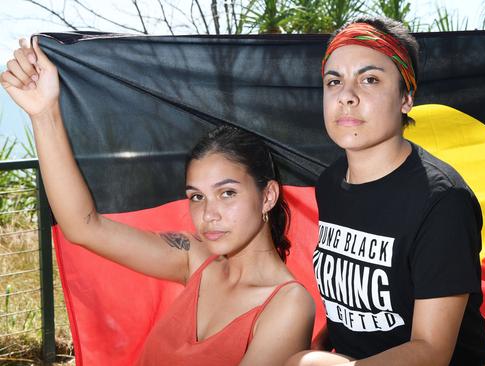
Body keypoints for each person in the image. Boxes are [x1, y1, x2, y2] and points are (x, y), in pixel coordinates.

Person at [2, 37, 315, 366]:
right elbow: (83, 227)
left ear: (267, 196)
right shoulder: (197, 259)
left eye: (227, 193)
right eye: (196, 196)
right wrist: (44, 112)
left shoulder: (288, 304)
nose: (209, 213)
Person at [287, 17, 485, 365]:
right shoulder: (331, 183)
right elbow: (356, 311)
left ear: (406, 98)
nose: (347, 97)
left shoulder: (442, 202)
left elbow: (432, 351)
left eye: (370, 79)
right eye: (334, 81)